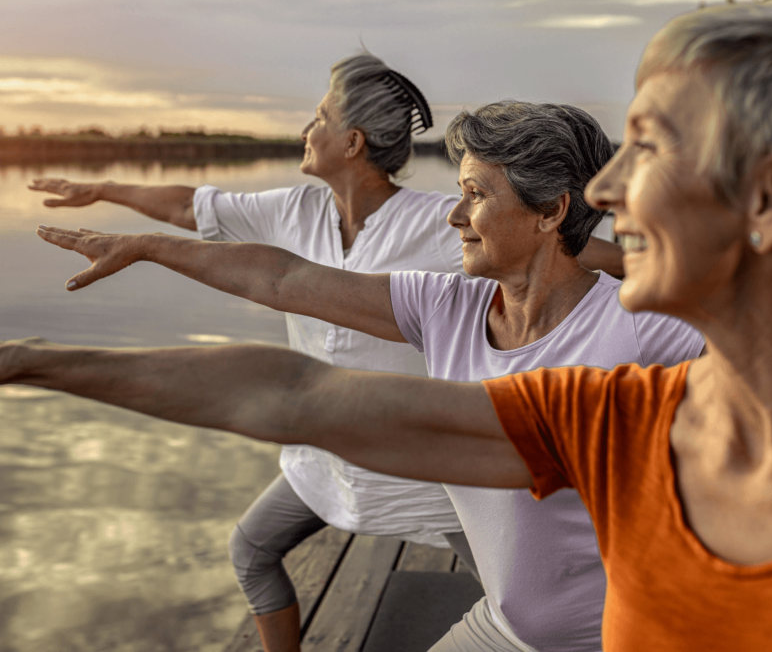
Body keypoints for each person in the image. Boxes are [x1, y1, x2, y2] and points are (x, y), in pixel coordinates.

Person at [11, 0, 772, 650]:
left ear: (771, 195)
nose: (610, 190)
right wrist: (33, 360)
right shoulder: (611, 419)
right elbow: (295, 388)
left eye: (647, 146)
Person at [33, 100, 704, 652]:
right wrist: (149, 246)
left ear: (552, 210)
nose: (453, 215)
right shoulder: (449, 305)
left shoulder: (648, 329)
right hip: (505, 631)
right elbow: (285, 278)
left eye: (474, 194)